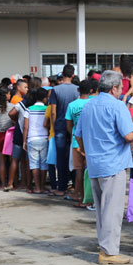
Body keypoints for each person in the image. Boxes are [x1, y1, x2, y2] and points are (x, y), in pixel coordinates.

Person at [74, 70, 133, 265]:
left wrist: (86, 151)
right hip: (113, 163)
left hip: (95, 163)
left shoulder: (88, 105)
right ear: (113, 88)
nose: (120, 92)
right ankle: (109, 252)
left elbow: (78, 135)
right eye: (119, 89)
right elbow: (128, 136)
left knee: (102, 209)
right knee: (112, 210)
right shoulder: (117, 106)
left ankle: (105, 248)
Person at [49, 64, 78, 196]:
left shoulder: (56, 89)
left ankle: (62, 187)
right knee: (73, 157)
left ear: (62, 74)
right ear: (73, 75)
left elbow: (53, 111)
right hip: (73, 126)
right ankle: (74, 185)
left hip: (60, 126)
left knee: (61, 158)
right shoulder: (77, 89)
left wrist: (54, 126)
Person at [66, 79, 95, 206]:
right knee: (90, 171)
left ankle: (81, 197)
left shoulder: (72, 105)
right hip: (91, 142)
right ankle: (91, 199)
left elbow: (69, 125)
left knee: (79, 171)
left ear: (78, 90)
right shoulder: (94, 103)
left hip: (76, 141)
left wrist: (73, 133)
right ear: (91, 90)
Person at [23, 87, 50, 194]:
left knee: (34, 164)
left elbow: (25, 127)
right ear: (44, 98)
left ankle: (37, 187)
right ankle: (42, 187)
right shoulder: (47, 109)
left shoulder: (28, 109)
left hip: (32, 139)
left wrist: (24, 141)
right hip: (44, 138)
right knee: (44, 164)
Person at [8, 79, 30, 191]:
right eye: (25, 87)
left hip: (18, 133)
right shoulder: (25, 102)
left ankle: (10, 183)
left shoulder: (20, 103)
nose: (27, 89)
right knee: (25, 161)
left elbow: (11, 113)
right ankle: (26, 184)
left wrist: (16, 120)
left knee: (15, 159)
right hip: (28, 135)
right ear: (18, 87)